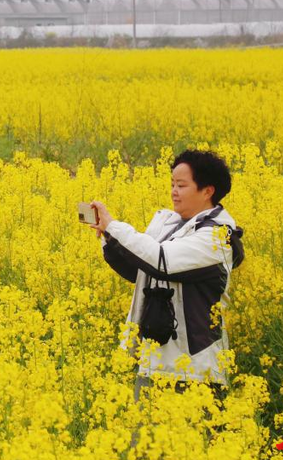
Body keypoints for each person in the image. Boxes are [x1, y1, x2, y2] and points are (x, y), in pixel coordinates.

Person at [84, 149, 244, 398]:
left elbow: (162, 261)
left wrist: (115, 226)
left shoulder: (216, 236)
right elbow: (141, 270)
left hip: (194, 373)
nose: (173, 192)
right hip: (154, 362)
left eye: (181, 185)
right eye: (172, 184)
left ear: (207, 191)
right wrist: (109, 237)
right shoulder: (169, 223)